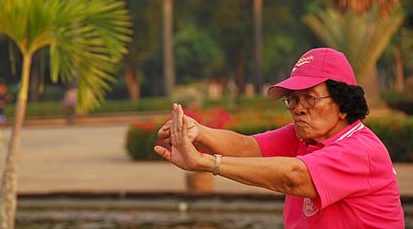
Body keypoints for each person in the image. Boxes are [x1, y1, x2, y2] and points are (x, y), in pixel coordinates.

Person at [154, 47, 404, 228]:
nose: (298, 107)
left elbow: (293, 177)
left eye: (310, 97)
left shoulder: (362, 150)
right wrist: (197, 131)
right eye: (292, 99)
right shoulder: (305, 136)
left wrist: (204, 163)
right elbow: (247, 147)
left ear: (343, 103)